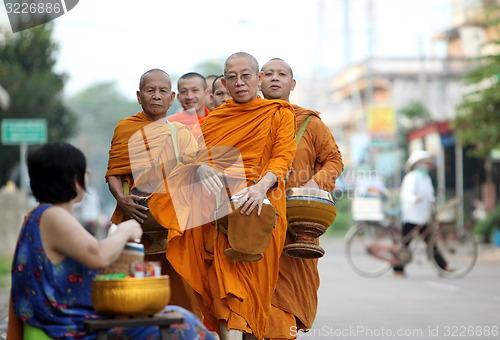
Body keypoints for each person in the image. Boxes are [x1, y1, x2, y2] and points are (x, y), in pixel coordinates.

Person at [147, 52, 297, 339]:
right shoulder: (216, 119)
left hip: (260, 211)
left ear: (259, 78)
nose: (239, 83)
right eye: (232, 77)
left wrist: (260, 186)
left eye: (246, 76)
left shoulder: (279, 113)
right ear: (224, 83)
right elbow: (192, 160)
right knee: (223, 287)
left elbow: (282, 157)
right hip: (221, 212)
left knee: (256, 290)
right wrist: (201, 168)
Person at [7, 142, 215, 340]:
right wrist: (124, 230)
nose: (88, 175)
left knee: (172, 313)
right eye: (84, 171)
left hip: (65, 317)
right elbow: (98, 255)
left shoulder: (41, 215)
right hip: (68, 322)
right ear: (72, 179)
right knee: (183, 322)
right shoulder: (53, 216)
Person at [105, 68, 202, 318]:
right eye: (150, 91)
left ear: (171, 99)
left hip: (174, 230)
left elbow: (194, 176)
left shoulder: (182, 133)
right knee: (135, 299)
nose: (156, 96)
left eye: (162, 92)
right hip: (135, 223)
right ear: (139, 96)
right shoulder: (125, 128)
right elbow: (113, 173)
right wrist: (122, 200)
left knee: (179, 299)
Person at [260, 58, 344, 339]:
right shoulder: (248, 119)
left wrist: (313, 183)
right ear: (259, 80)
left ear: (292, 84)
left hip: (298, 221)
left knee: (286, 298)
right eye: (269, 74)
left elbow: (333, 160)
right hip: (256, 220)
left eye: (281, 74)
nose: (275, 78)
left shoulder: (309, 122)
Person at [394, 150, 448, 276]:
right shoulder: (411, 177)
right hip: (411, 216)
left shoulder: (426, 178)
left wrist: (433, 201)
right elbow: (407, 194)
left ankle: (443, 267)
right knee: (405, 243)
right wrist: (414, 199)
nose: (426, 165)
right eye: (423, 162)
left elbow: (430, 195)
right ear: (416, 164)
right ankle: (398, 268)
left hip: (423, 216)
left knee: (431, 242)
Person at [168, 72, 211, 139]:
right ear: (178, 97)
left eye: (195, 90)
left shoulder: (216, 120)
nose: (189, 96)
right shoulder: (170, 124)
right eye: (183, 92)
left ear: (206, 93)